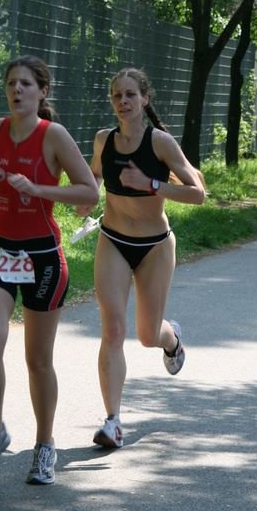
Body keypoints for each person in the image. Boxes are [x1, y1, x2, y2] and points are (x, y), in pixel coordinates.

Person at [0, 55, 99, 484]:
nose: (16, 90)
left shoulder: (52, 136)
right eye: (10, 84)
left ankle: (44, 445)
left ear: (42, 92)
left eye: (25, 84)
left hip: (41, 256)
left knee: (38, 360)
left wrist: (38, 188)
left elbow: (89, 191)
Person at [76, 67, 206, 449]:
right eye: (117, 95)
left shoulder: (161, 143)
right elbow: (94, 178)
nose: (123, 101)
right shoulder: (103, 140)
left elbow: (198, 193)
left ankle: (172, 339)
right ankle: (113, 421)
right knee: (113, 329)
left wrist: (151, 184)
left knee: (147, 335)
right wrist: (87, 198)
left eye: (130, 94)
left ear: (144, 99)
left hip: (155, 246)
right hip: (113, 241)